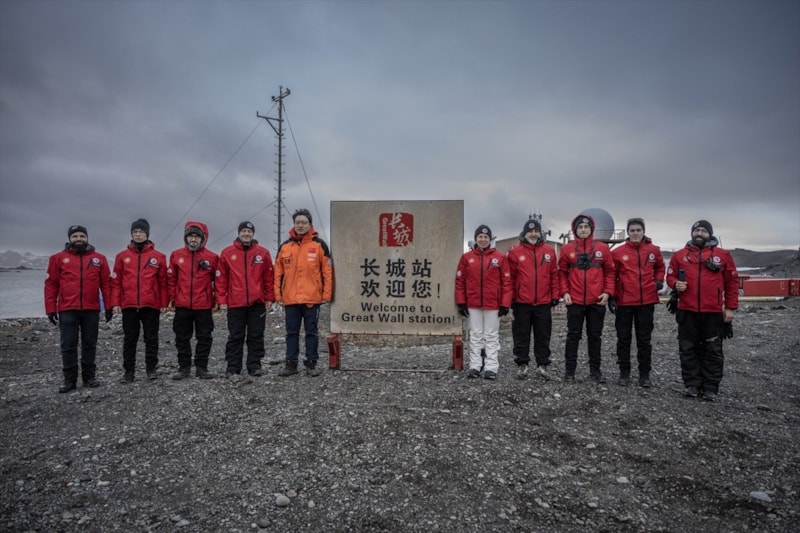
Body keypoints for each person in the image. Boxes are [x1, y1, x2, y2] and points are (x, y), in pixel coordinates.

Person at [666, 220, 738, 401]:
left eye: (703, 230)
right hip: (687, 310)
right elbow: (670, 276)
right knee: (687, 348)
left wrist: (730, 308)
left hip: (712, 311)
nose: (699, 233)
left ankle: (710, 387)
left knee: (713, 349)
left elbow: (732, 282)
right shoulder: (679, 255)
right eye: (696, 230)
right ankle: (692, 384)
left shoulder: (722, 255)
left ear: (710, 233)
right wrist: (675, 284)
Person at [44, 225, 112, 393]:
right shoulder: (58, 258)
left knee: (90, 343)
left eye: (82, 236)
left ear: (87, 238)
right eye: (75, 236)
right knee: (68, 344)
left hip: (91, 308)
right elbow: (51, 284)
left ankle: (89, 377)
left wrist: (109, 306)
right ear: (70, 239)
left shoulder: (99, 259)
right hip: (67, 308)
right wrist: (50, 308)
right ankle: (70, 380)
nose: (79, 239)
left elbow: (106, 284)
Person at [274, 208, 333, 377]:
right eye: (298, 222)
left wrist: (327, 294)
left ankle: (311, 363)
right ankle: (291, 364)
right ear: (294, 224)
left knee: (311, 332)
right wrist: (278, 295)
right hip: (290, 298)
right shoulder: (285, 247)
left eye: (304, 222)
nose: (300, 225)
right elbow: (278, 273)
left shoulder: (319, 245)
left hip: (312, 298)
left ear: (310, 224)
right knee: (291, 333)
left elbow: (327, 272)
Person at [558, 214, 615, 383]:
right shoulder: (567, 249)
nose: (583, 230)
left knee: (595, 337)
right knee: (573, 336)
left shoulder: (602, 248)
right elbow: (562, 273)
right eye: (580, 227)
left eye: (586, 227)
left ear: (592, 229)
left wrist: (607, 292)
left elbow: (610, 272)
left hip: (596, 300)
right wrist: (564, 292)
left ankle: (595, 371)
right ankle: (569, 372)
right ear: (575, 230)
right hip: (574, 300)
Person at [111, 218, 168, 383]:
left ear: (147, 234)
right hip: (129, 304)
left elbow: (163, 283)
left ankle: (151, 369)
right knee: (130, 339)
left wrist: (164, 303)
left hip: (150, 304)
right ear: (131, 234)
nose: (138, 235)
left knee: (151, 338)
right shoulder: (122, 257)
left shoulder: (159, 257)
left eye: (141, 232)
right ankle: (129, 372)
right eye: (135, 232)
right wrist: (116, 303)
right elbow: (116, 282)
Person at [609, 218, 665, 387]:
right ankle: (624, 373)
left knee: (644, 340)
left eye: (638, 230)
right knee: (623, 339)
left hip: (646, 301)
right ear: (628, 232)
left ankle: (644, 374)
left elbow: (660, 267)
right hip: (624, 302)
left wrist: (658, 281)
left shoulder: (654, 250)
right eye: (632, 230)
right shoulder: (618, 252)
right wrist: (612, 297)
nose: (635, 233)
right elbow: (611, 275)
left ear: (643, 231)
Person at [216, 221, 275, 378]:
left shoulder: (263, 253)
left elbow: (269, 277)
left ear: (253, 234)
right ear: (239, 233)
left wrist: (270, 297)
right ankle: (233, 366)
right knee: (235, 336)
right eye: (243, 231)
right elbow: (221, 279)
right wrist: (221, 300)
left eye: (249, 231)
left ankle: (254, 365)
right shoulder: (227, 253)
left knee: (256, 335)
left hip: (257, 303)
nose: (246, 234)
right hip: (235, 303)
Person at [455, 224, 512, 380]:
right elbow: (460, 281)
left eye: (486, 237)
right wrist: (461, 302)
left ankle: (491, 367)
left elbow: (507, 282)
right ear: (476, 239)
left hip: (493, 304)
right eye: (480, 236)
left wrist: (505, 303)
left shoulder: (500, 258)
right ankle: (475, 366)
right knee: (475, 335)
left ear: (490, 239)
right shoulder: (467, 258)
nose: (483, 239)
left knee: (491, 336)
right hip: (473, 303)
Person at [507, 218, 560, 380]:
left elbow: (554, 275)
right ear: (524, 233)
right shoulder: (515, 252)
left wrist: (555, 296)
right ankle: (522, 364)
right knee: (521, 335)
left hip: (543, 302)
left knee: (543, 335)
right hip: (522, 302)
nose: (533, 234)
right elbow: (510, 278)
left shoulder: (549, 252)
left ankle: (542, 365)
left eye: (536, 231)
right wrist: (510, 299)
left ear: (540, 233)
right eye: (530, 231)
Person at [167, 221, 218, 380]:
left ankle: (202, 368)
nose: (193, 239)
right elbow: (171, 279)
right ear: (186, 238)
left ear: (203, 238)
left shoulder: (212, 257)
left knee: (204, 337)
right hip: (182, 304)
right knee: (181, 337)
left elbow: (218, 280)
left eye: (197, 236)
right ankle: (184, 368)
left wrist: (216, 299)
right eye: (190, 236)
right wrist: (172, 298)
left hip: (203, 305)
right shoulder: (176, 255)